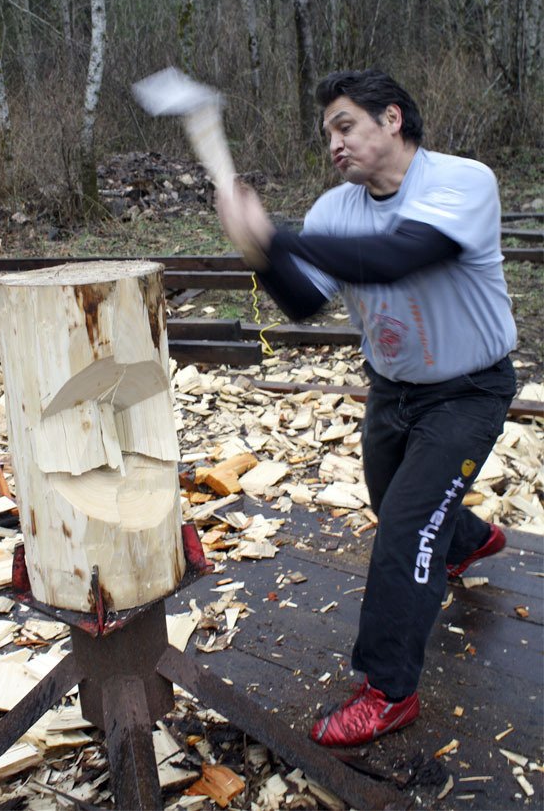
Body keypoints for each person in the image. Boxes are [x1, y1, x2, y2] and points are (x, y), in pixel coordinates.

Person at [217, 68, 517, 747]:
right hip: (392, 388)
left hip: (469, 389)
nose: (334, 143)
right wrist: (259, 252)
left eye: (345, 125)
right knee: (399, 503)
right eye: (327, 133)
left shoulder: (460, 181)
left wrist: (278, 233)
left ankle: (388, 690)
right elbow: (302, 300)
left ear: (392, 120)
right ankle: (472, 540)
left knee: (406, 530)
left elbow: (399, 256)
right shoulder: (335, 209)